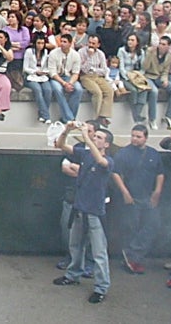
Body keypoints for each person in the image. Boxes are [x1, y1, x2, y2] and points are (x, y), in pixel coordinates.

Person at [52, 121, 114, 304]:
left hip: (95, 212)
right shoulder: (85, 154)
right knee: (75, 245)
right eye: (96, 136)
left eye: (100, 138)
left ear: (107, 144)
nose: (96, 138)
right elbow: (62, 145)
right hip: (80, 208)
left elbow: (101, 160)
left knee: (99, 252)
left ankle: (101, 287)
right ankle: (72, 275)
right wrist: (67, 130)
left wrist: (87, 137)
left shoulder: (108, 161)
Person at [115, 124, 164, 275]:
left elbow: (160, 173)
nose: (134, 139)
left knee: (153, 225)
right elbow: (116, 174)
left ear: (146, 138)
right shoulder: (123, 154)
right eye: (133, 136)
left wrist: (157, 191)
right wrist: (125, 193)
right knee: (131, 227)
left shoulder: (153, 154)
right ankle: (131, 258)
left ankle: (133, 253)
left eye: (138, 136)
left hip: (148, 197)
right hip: (132, 197)